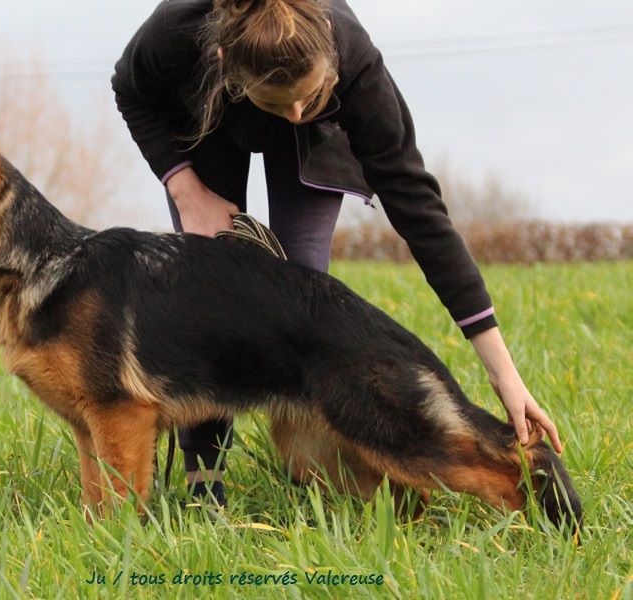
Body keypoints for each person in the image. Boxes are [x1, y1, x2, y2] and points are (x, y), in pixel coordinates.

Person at [112, 0, 562, 506]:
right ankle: (203, 478)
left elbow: (419, 210)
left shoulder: (352, 61)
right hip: (207, 118)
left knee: (304, 296)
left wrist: (504, 372)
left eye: (305, 97)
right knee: (208, 293)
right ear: (224, 61)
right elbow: (129, 89)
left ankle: (332, 465)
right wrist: (185, 190)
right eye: (281, 104)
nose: (294, 114)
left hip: (321, 128)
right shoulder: (179, 28)